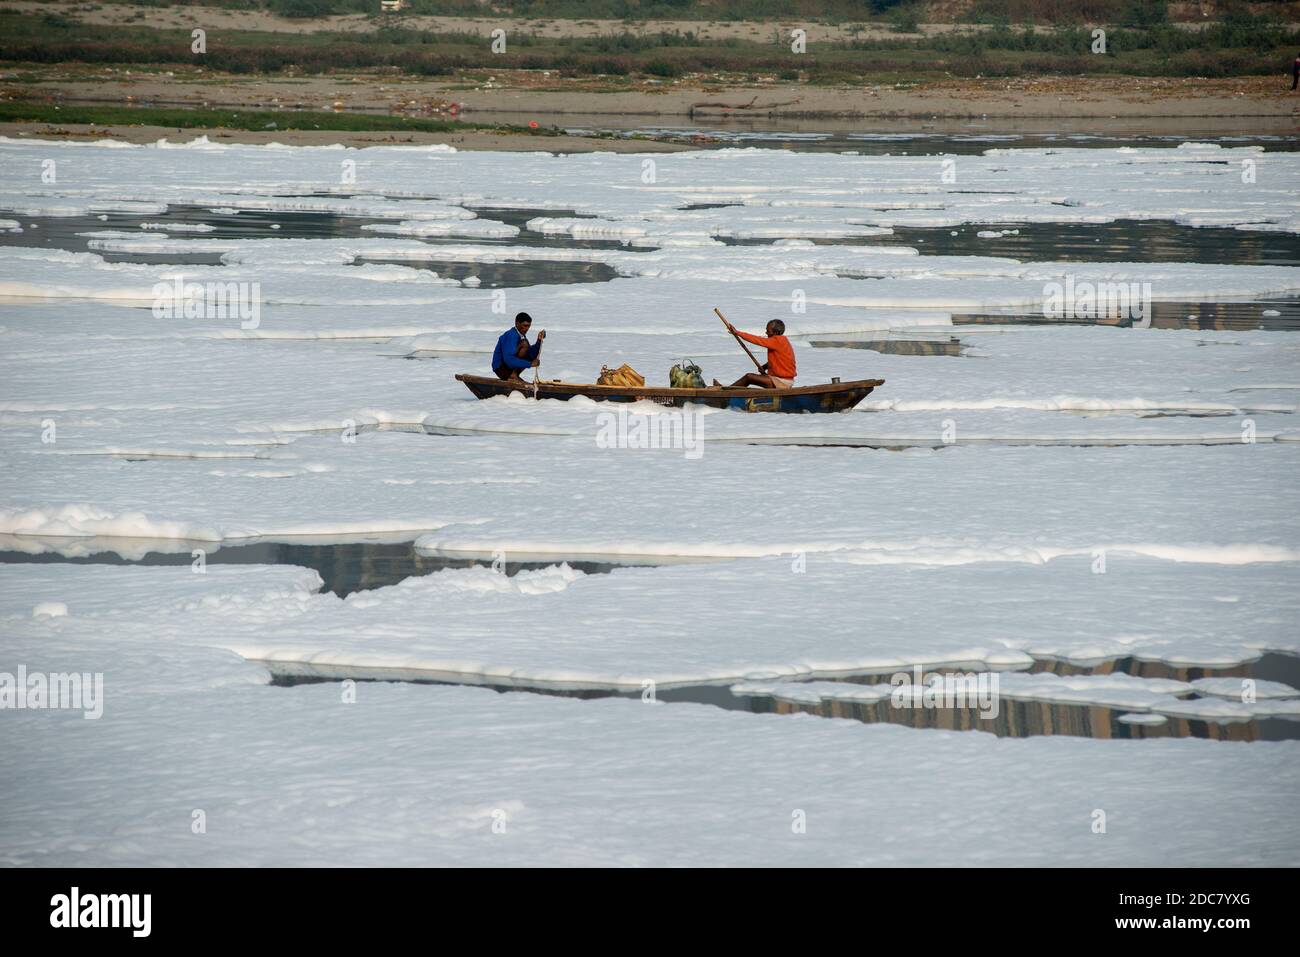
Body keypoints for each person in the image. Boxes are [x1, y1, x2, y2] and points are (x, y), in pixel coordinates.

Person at [714, 318, 797, 389]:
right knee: (750, 377)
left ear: (776, 333)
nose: (766, 333)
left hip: (782, 382)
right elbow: (780, 360)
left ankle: (726, 391)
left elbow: (758, 340)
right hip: (778, 379)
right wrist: (764, 367)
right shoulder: (781, 341)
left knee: (749, 377)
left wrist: (738, 333)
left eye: (768, 331)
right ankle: (729, 389)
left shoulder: (778, 341)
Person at [492, 312, 544, 380]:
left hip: (509, 367)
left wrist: (539, 340)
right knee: (525, 344)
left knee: (527, 346)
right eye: (525, 325)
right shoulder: (511, 335)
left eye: (529, 326)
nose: (527, 329)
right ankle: (512, 375)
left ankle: (514, 374)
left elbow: (531, 354)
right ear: (517, 323)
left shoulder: (521, 335)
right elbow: (509, 360)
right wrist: (530, 364)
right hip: (501, 369)